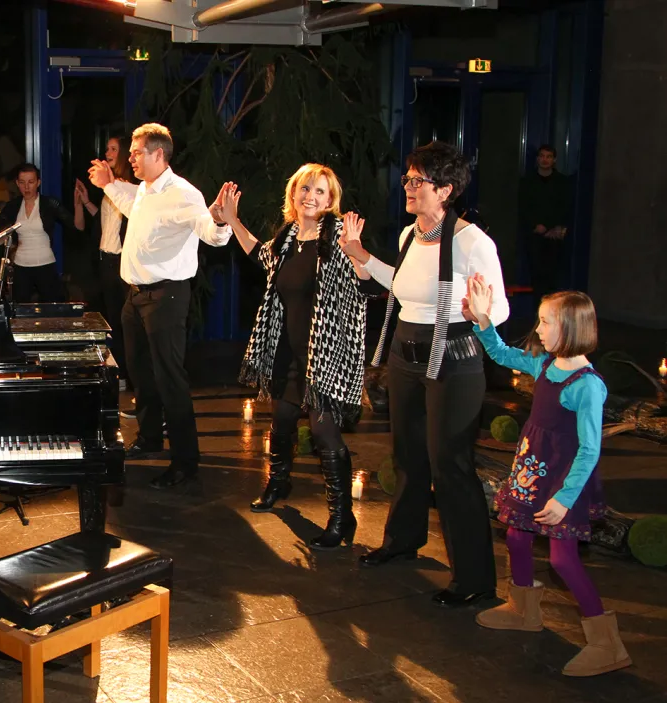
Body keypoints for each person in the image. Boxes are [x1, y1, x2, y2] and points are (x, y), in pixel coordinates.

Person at [340, 141, 506, 607]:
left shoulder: (473, 242)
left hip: (453, 356)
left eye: (419, 181)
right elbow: (404, 285)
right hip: (404, 354)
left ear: (446, 190)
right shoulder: (409, 236)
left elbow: (503, 306)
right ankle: (402, 540)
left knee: (450, 464)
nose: (408, 187)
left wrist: (482, 311)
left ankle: (474, 577)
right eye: (408, 179)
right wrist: (361, 255)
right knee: (408, 455)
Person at [466, 279, 630, 677]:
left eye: (545, 322)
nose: (538, 329)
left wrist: (564, 498)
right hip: (532, 470)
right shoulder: (545, 365)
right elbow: (502, 353)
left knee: (562, 558)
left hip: (562, 482)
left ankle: (606, 643)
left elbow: (590, 448)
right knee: (517, 535)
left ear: (570, 328)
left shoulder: (587, 385)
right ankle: (523, 610)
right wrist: (483, 321)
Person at [228, 164, 370, 549]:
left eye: (320, 191)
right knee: (283, 419)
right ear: (293, 194)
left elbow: (364, 281)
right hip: (288, 352)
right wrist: (233, 221)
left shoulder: (338, 235)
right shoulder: (288, 237)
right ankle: (279, 482)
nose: (311, 196)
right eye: (305, 188)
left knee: (325, 432)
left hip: (324, 356)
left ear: (330, 200)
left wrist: (359, 256)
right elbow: (262, 256)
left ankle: (343, 517)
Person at [88, 123, 234, 489]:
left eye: (136, 153)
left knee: (170, 378)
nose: (130, 158)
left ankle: (185, 462)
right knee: (139, 372)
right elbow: (127, 202)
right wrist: (107, 183)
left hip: (166, 297)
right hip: (135, 296)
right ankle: (150, 438)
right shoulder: (145, 190)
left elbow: (211, 234)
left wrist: (219, 219)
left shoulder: (183, 194)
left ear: (158, 155)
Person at [0, 163, 84, 303]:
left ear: (38, 182)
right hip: (21, 265)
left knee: (52, 307)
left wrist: (78, 204)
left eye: (31, 182)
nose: (27, 187)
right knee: (19, 308)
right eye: (22, 182)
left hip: (45, 263)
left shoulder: (49, 203)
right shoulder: (14, 206)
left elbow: (78, 227)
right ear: (17, 183)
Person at [75, 135, 134, 387]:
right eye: (107, 148)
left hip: (122, 262)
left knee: (125, 322)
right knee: (111, 321)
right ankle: (118, 372)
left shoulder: (128, 188)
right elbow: (105, 220)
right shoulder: (109, 187)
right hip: (105, 260)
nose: (107, 152)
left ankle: (130, 377)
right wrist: (86, 201)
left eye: (113, 149)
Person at [518, 144, 573, 301]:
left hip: (555, 236)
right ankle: (538, 311)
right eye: (542, 156)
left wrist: (551, 227)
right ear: (537, 159)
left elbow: (565, 207)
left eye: (548, 157)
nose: (545, 160)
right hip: (534, 235)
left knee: (553, 277)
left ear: (554, 160)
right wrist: (536, 226)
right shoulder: (527, 181)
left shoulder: (562, 182)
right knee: (536, 276)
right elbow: (523, 207)